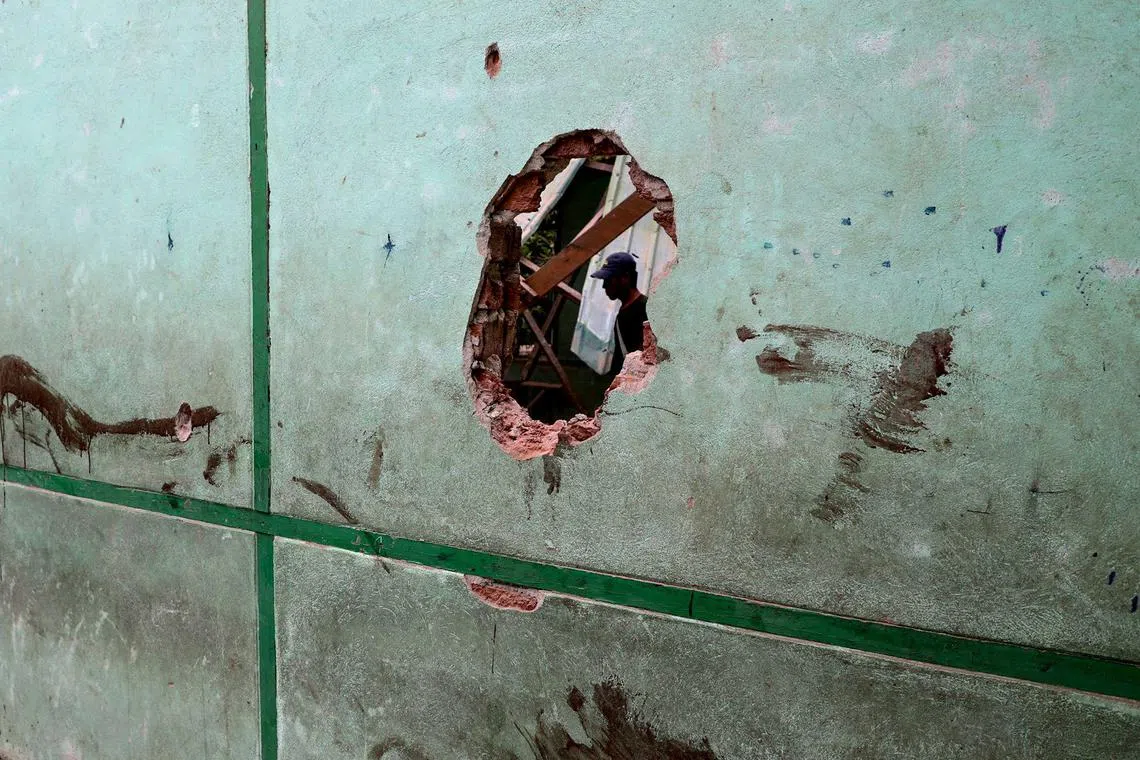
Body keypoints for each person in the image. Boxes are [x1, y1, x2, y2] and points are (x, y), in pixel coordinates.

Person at [590, 251, 649, 371]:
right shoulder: (623, 314)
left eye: (608, 280)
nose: (604, 286)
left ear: (625, 277)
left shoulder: (646, 309)